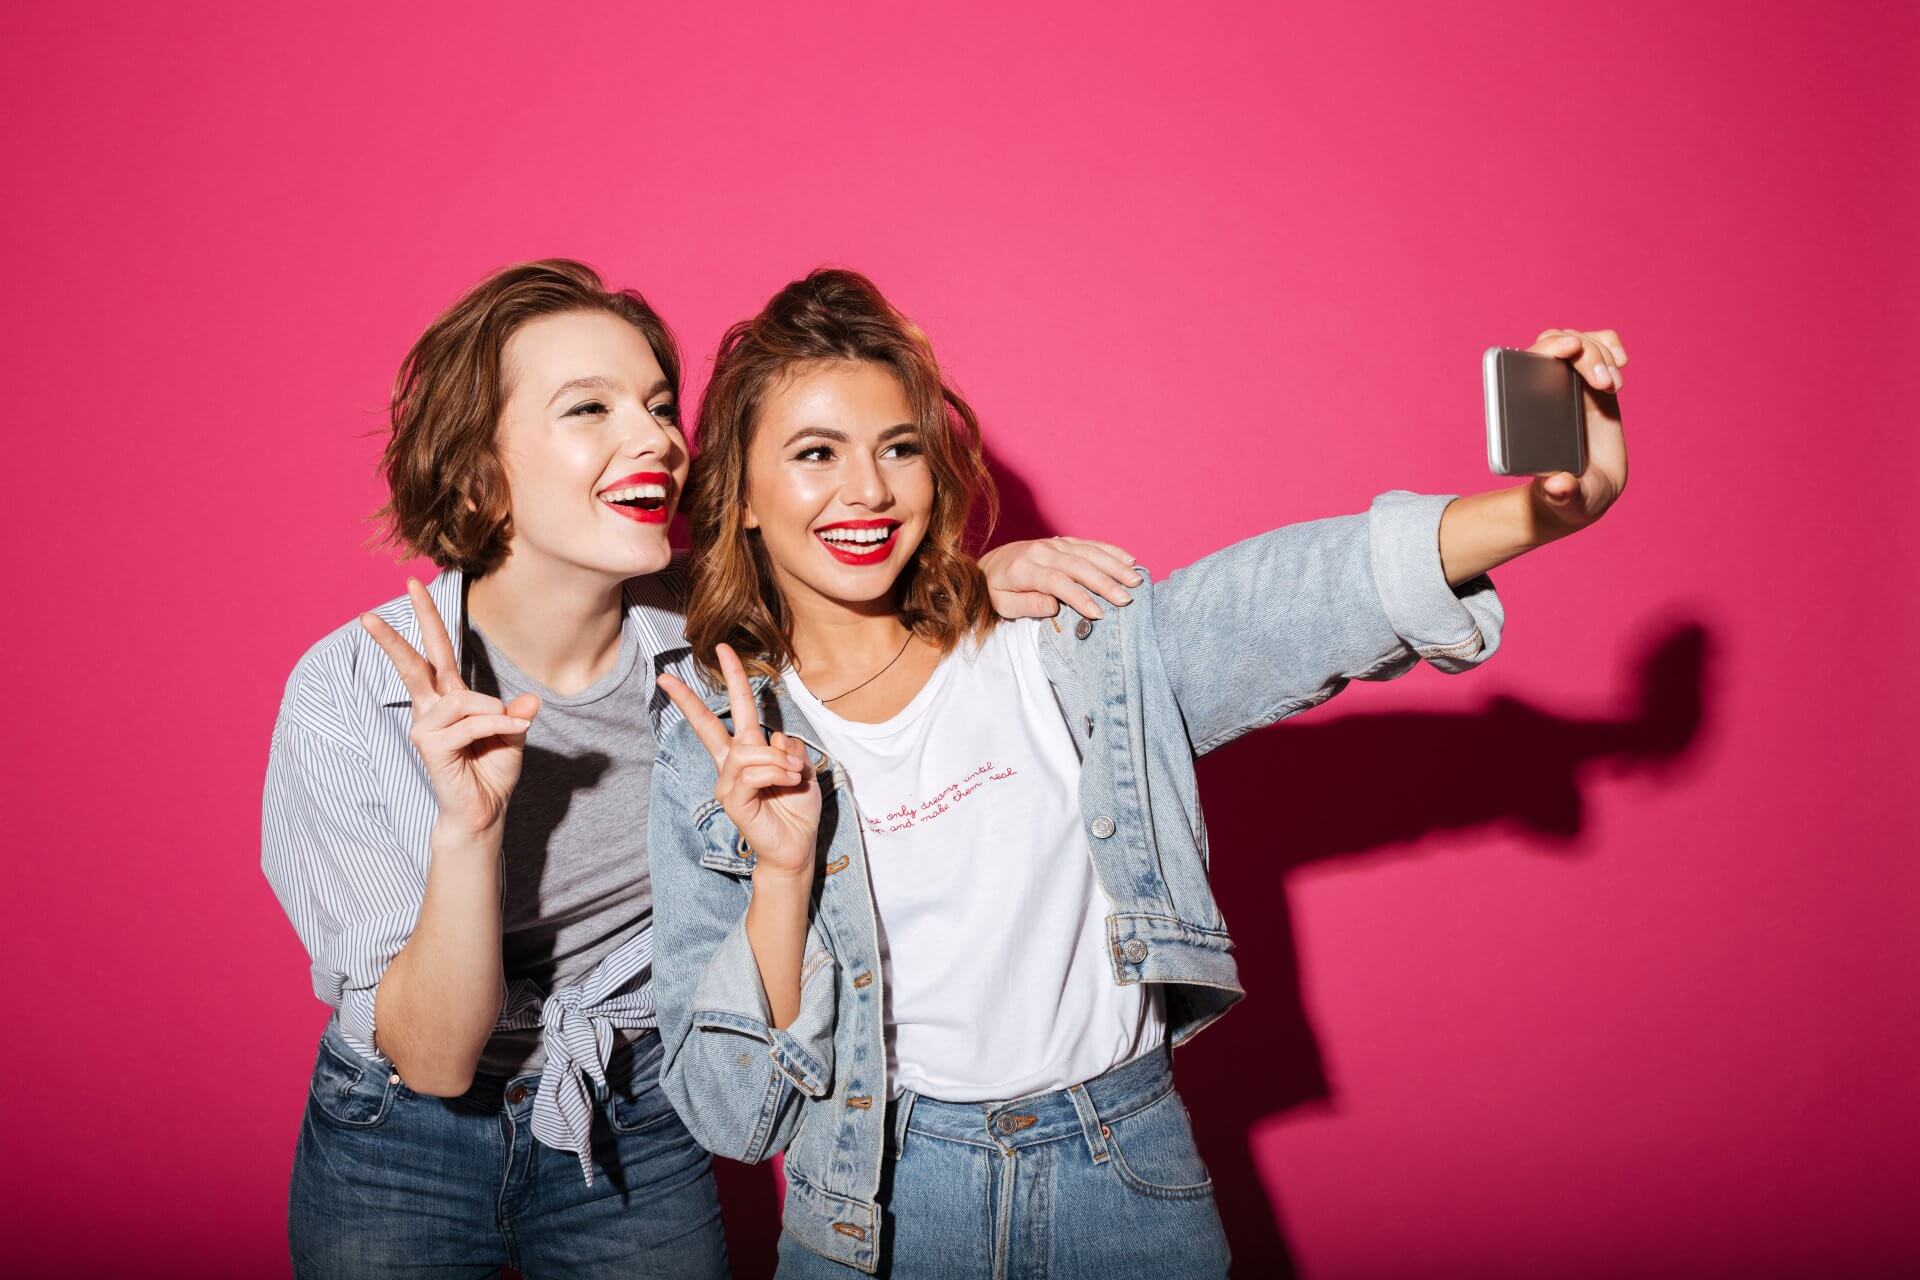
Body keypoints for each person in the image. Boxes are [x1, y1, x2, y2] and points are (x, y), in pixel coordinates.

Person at [648, 268, 1630, 1277]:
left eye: (898, 448)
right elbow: (732, 1108)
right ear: (744, 498)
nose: (867, 489)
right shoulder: (716, 745)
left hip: (1120, 1175)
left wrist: (1548, 511)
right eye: (815, 453)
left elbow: (1289, 599)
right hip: (882, 1206)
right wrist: (778, 872)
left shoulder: (1061, 650)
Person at [261, 259, 1137, 1279]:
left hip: (635, 1110)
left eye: (660, 404)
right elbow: (435, 1057)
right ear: (480, 470)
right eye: (589, 406)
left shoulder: (721, 639)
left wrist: (977, 585)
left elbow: (865, 589)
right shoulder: (350, 696)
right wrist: (468, 830)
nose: (658, 440)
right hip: (400, 1132)